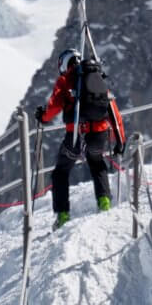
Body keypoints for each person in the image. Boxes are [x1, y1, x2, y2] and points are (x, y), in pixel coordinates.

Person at [35, 49, 124, 230]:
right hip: (99, 136)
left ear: (64, 64)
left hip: (76, 135)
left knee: (60, 172)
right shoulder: (97, 78)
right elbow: (113, 111)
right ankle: (104, 203)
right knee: (97, 164)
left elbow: (54, 107)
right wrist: (120, 140)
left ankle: (63, 215)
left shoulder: (66, 80)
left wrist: (42, 117)